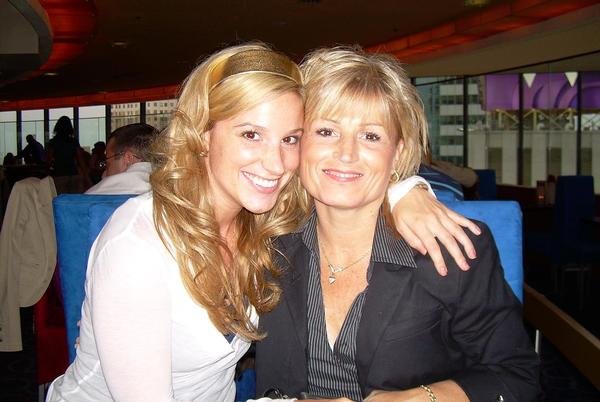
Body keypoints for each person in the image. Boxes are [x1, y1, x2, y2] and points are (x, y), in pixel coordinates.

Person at [47, 43, 478, 402]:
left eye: (290, 139)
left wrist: (405, 189)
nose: (275, 163)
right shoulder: (139, 246)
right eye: (250, 134)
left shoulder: (265, 223)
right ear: (202, 134)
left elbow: (351, 175)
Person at [255, 46, 540, 402]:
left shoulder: (449, 249)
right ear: (299, 144)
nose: (346, 153)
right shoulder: (264, 242)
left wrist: (421, 398)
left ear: (399, 152)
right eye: (326, 131)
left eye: (371, 136)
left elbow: (517, 376)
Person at [85, 123, 158, 195]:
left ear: (128, 158)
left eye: (107, 162)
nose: (105, 171)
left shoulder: (94, 195)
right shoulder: (162, 189)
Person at [46, 116, 89, 194]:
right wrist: (86, 176)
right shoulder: (74, 141)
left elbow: (48, 159)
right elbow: (80, 159)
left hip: (59, 174)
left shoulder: (53, 142)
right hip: (73, 173)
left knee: (61, 198)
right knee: (74, 198)